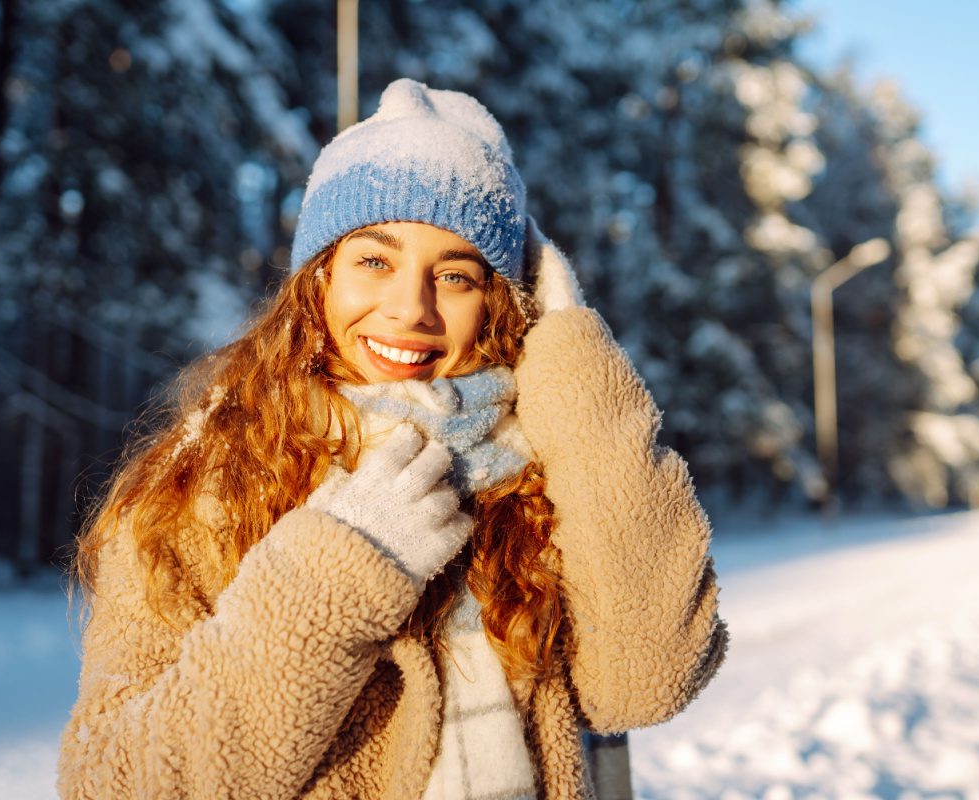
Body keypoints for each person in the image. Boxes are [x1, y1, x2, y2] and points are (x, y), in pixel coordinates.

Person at [57, 78, 728, 799]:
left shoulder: (544, 473)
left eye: (457, 276)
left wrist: (571, 350)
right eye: (374, 261)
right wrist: (337, 570)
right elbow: (115, 782)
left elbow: (649, 681)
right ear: (317, 282)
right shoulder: (207, 483)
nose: (411, 308)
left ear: (500, 304)